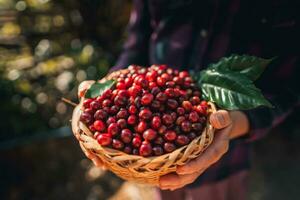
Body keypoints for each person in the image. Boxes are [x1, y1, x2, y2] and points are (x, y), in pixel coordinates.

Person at [76, 0, 300, 199]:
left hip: (225, 161)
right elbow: (137, 42)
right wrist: (110, 85)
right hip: (158, 165)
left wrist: (233, 124)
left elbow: (287, 87)